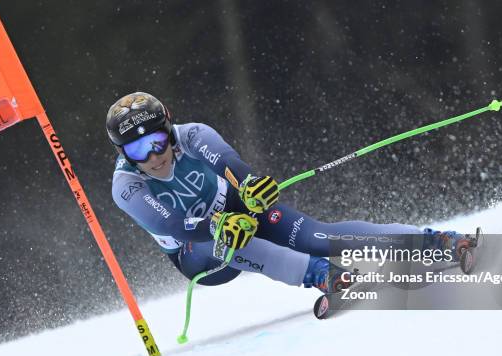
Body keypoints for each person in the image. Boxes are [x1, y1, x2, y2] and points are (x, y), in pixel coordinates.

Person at [106, 92, 477, 293]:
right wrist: (216, 224)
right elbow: (172, 223)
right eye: (138, 151)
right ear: (123, 153)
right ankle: (321, 275)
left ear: (168, 132)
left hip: (237, 209)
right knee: (228, 238)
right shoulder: (126, 186)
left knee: (320, 236)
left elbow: (226, 161)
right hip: (198, 252)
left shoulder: (190, 135)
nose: (153, 157)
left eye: (156, 142)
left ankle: (436, 241)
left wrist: (250, 186)